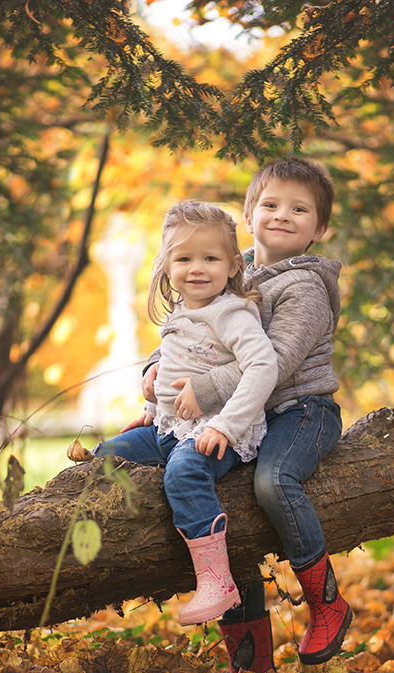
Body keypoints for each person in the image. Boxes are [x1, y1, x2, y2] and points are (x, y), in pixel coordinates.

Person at [143, 158, 353, 673]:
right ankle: (251, 654)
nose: (282, 216)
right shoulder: (228, 268)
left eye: (299, 209)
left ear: (320, 228)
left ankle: (326, 602)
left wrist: (205, 389)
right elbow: (190, 333)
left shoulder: (303, 288)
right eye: (271, 205)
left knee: (271, 482)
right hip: (239, 417)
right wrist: (156, 371)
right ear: (248, 213)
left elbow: (276, 367)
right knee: (223, 503)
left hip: (300, 412)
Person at [92, 200, 278, 628]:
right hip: (169, 427)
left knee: (184, 473)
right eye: (184, 258)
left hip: (219, 432)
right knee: (109, 454)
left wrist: (226, 427)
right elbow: (177, 368)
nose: (197, 268)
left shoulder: (230, 312)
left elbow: (263, 365)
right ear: (167, 265)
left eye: (210, 258)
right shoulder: (181, 310)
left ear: (233, 266)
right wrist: (150, 408)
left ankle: (217, 581)